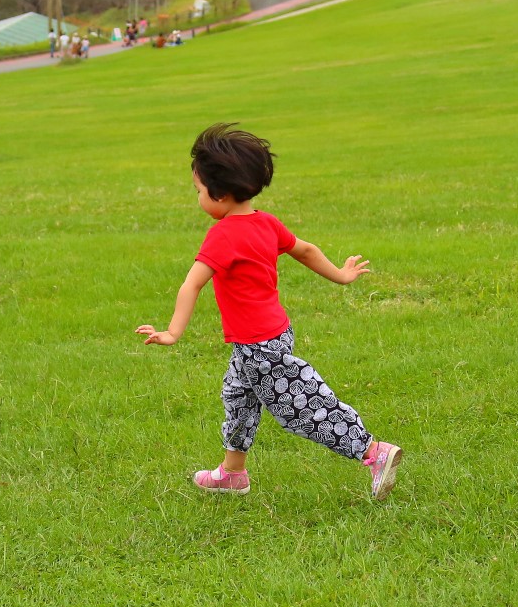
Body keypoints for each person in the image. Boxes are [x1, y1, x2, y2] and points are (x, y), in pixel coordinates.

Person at [135, 123, 404, 499]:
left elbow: (192, 283)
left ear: (221, 194)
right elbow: (306, 250)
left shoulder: (223, 235)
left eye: (198, 191)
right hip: (268, 335)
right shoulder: (266, 222)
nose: (197, 198)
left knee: (302, 406)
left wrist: (173, 332)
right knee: (238, 395)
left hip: (260, 346)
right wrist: (341, 276)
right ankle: (232, 472)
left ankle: (374, 453)